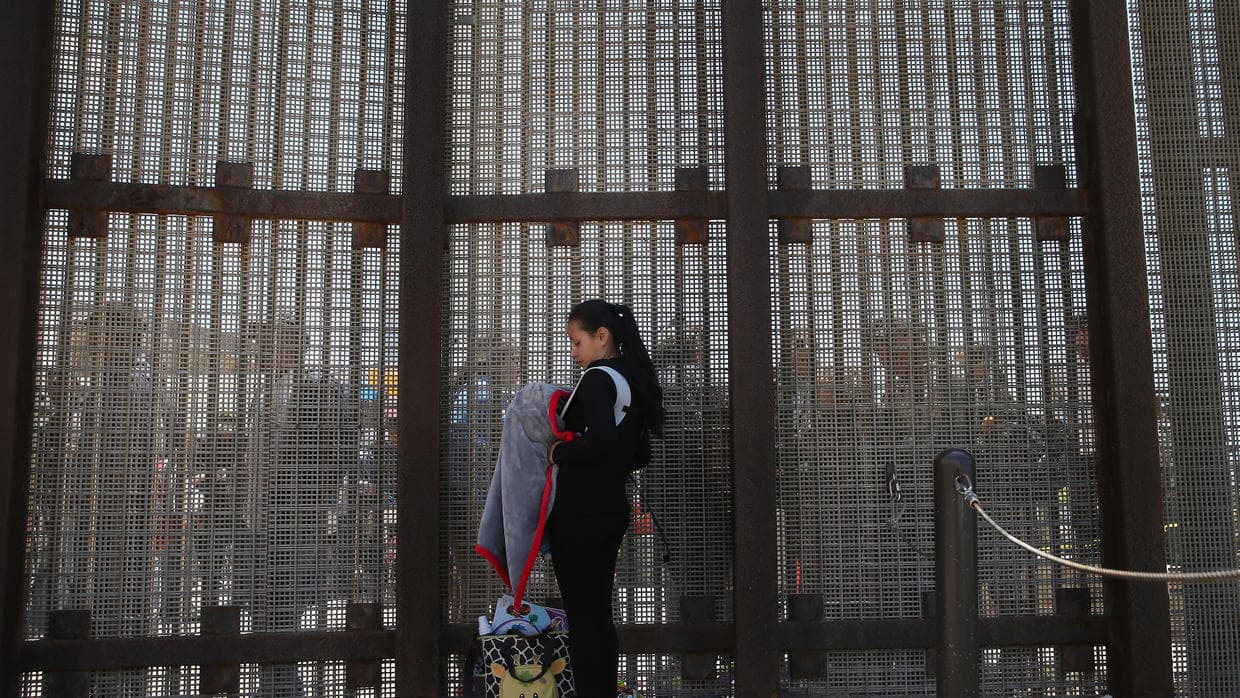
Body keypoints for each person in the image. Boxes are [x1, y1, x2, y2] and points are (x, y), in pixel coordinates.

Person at [546, 300, 664, 698]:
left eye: (577, 342)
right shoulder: (630, 379)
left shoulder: (597, 379)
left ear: (602, 336)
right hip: (611, 509)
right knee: (599, 615)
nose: (574, 352)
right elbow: (638, 454)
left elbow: (600, 443)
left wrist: (558, 452)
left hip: (579, 512)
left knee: (582, 619)